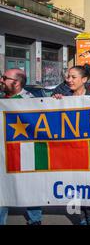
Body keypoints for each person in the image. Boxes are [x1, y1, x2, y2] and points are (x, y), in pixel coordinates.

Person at [53, 65, 90, 225]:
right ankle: (81, 217)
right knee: (75, 185)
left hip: (89, 147)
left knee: (89, 184)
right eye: (68, 77)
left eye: (73, 77)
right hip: (70, 148)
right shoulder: (61, 95)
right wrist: (55, 102)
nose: (69, 80)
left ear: (84, 80)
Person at [0, 69, 43, 225]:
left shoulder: (30, 101)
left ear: (16, 82)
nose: (1, 80)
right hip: (3, 154)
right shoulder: (2, 98)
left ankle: (35, 219)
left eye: (5, 78)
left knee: (29, 185)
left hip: (25, 153)